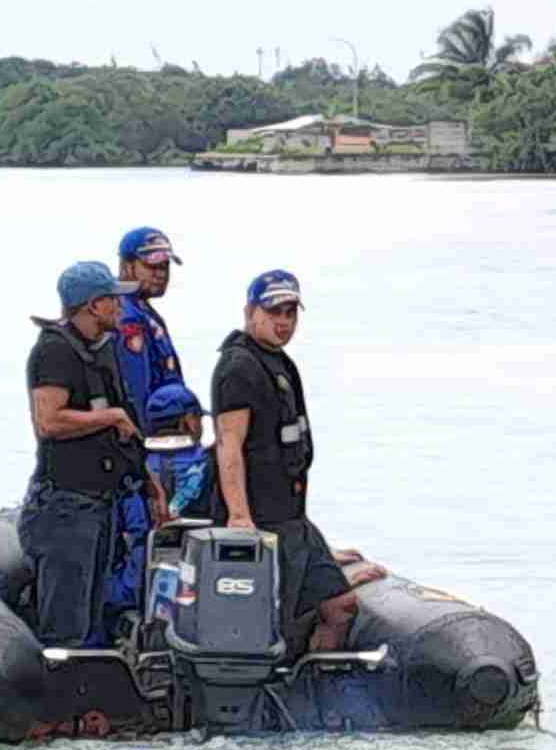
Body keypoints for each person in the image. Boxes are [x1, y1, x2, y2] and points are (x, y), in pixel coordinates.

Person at [210, 268, 386, 655]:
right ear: (250, 311)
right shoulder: (239, 367)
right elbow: (228, 444)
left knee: (340, 608)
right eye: (275, 312)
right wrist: (240, 517)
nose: (284, 322)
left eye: (291, 313)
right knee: (273, 627)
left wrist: (316, 545)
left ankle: (317, 692)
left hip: (293, 520)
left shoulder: (280, 363)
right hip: (262, 521)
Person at [21, 260, 145, 647]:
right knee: (66, 628)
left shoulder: (100, 350)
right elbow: (49, 421)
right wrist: (109, 417)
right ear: (93, 305)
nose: (120, 307)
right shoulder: (55, 352)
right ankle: (53, 702)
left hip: (100, 503)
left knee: (91, 620)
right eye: (113, 299)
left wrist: (149, 484)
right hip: (65, 507)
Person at [109, 224, 211, 523]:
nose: (160, 273)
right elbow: (137, 390)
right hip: (155, 443)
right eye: (151, 266)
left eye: (165, 266)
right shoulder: (130, 318)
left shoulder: (143, 311)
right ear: (127, 266)